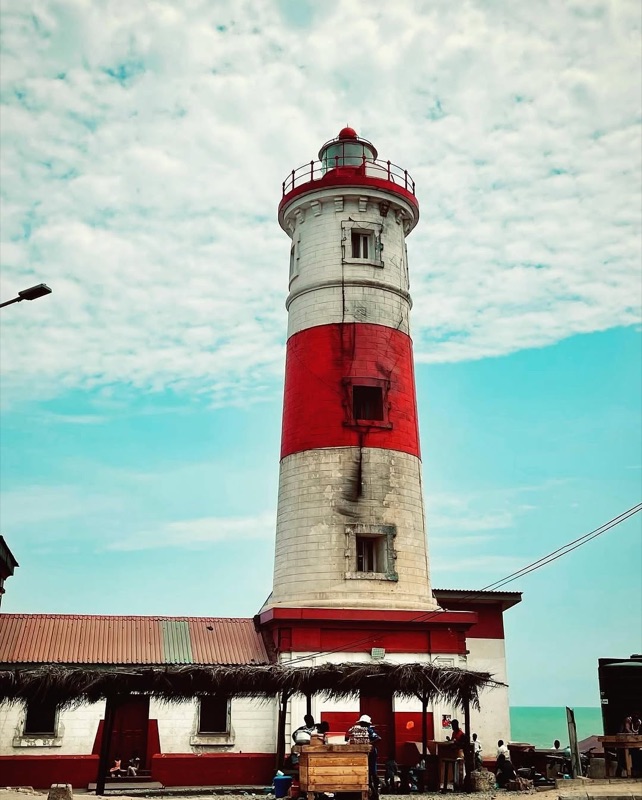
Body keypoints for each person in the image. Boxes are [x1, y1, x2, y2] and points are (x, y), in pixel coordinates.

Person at [346, 714, 380, 789]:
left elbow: (378, 738)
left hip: (371, 753)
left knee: (372, 770)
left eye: (362, 723)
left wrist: (369, 744)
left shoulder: (369, 730)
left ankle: (375, 787)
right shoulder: (358, 731)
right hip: (362, 753)